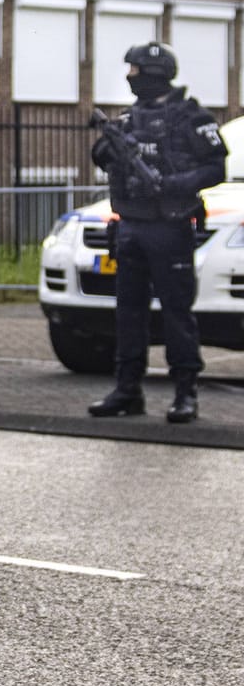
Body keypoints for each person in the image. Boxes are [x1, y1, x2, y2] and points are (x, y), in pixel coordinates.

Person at [87, 42, 228, 424]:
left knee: (176, 313)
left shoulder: (191, 117)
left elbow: (216, 168)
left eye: (134, 70)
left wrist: (174, 184)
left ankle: (185, 393)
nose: (129, 77)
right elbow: (101, 157)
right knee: (128, 313)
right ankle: (127, 390)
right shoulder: (128, 119)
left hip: (171, 228)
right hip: (130, 226)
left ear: (153, 73)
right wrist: (109, 146)